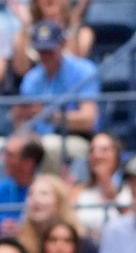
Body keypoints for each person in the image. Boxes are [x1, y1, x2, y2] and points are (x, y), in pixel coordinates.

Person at [10, 22, 99, 171]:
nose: (45, 56)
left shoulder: (84, 70)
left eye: (50, 50)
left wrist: (48, 115)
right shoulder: (32, 78)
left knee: (50, 145)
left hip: (76, 138)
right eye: (41, 50)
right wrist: (20, 119)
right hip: (36, 139)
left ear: (63, 45)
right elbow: (22, 121)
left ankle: (51, 193)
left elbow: (89, 120)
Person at [9, 0, 95, 79]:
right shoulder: (24, 33)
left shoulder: (83, 34)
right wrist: (26, 26)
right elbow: (21, 70)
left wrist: (74, 25)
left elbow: (73, 71)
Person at [0, 134, 44, 235]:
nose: (4, 159)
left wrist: (22, 228)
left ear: (29, 163)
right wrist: (1, 223)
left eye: (10, 155)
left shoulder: (45, 192)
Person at [73, 133, 131, 240]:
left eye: (104, 150)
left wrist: (113, 198)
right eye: (92, 150)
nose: (97, 155)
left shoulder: (131, 189)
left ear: (116, 156)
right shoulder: (77, 191)